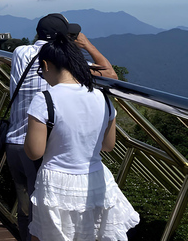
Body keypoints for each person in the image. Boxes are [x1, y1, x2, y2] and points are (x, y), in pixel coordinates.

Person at [6, 13, 118, 241]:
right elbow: (110, 74)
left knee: (27, 210)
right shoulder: (93, 91)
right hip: (68, 169)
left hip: (13, 142)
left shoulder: (20, 53)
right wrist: (85, 45)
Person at [24, 34, 138, 241]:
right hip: (95, 178)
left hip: (56, 183)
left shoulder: (44, 99)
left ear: (46, 65)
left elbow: (34, 152)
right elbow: (108, 145)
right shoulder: (103, 97)